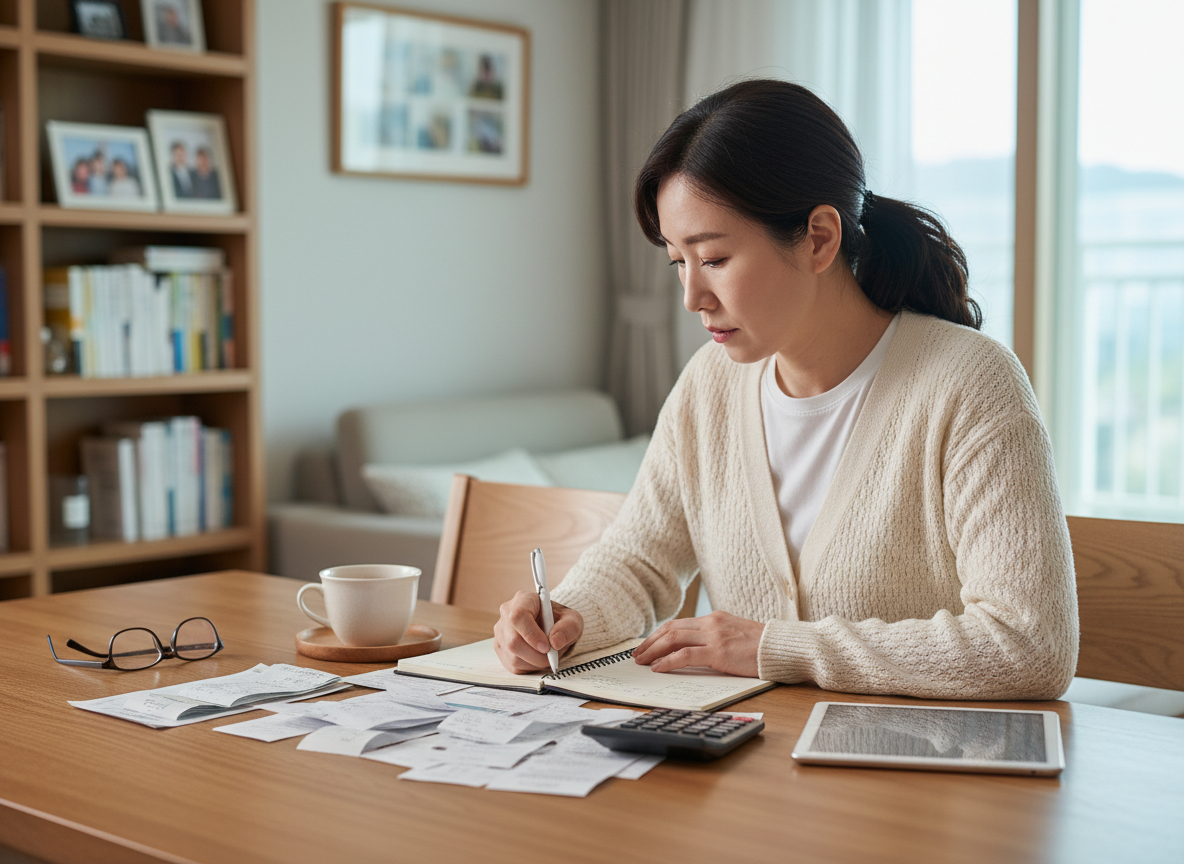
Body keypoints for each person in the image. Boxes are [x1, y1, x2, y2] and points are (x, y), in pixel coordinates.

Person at [492, 79, 1079, 701]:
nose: (692, 297)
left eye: (713, 259)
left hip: (919, 783)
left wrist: (775, 647)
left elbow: (1028, 645)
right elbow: (640, 561)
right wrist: (567, 617)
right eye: (677, 262)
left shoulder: (970, 384)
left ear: (820, 238)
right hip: (755, 770)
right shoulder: (709, 385)